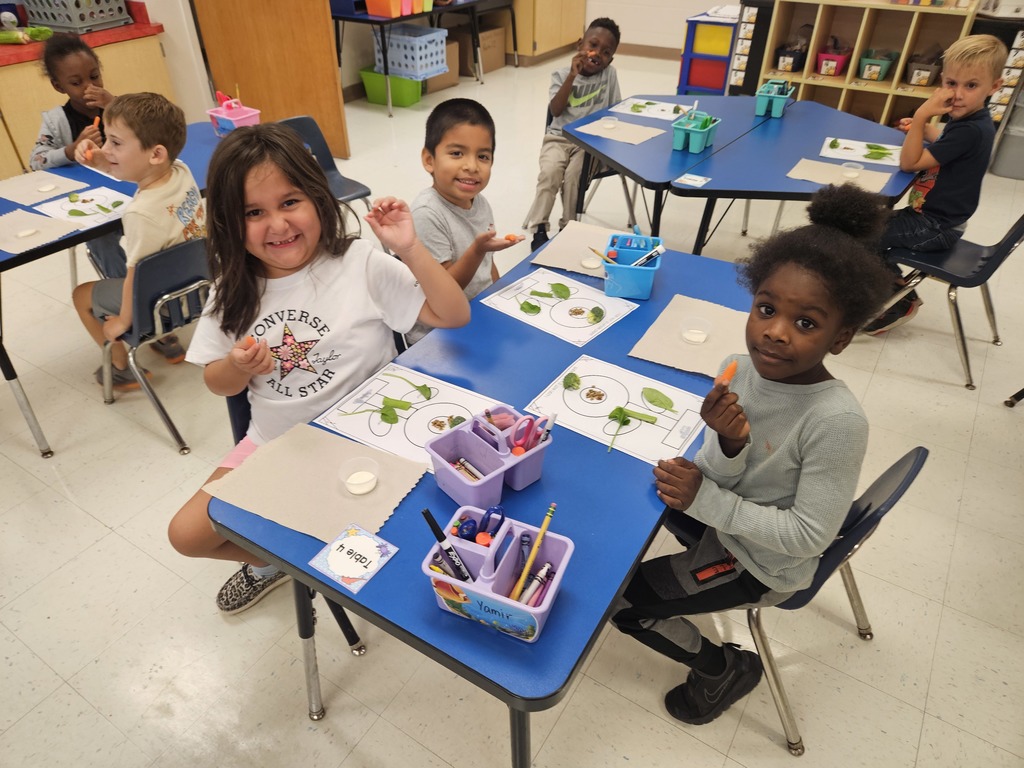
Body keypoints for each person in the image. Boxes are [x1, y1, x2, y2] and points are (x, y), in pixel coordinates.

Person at [611, 184, 895, 725]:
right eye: (766, 308)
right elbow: (718, 475)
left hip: (760, 562)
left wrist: (709, 498)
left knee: (619, 603)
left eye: (806, 323)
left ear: (842, 337)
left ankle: (723, 669)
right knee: (626, 481)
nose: (775, 332)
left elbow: (810, 536)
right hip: (730, 516)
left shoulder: (836, 421)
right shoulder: (737, 368)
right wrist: (728, 443)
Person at [167, 123, 470, 614]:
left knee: (410, 545)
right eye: (253, 212)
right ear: (229, 222)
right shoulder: (232, 290)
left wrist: (410, 248)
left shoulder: (357, 261)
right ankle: (293, 564)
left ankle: (315, 560)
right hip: (279, 444)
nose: (278, 225)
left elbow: (454, 315)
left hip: (373, 435)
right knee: (186, 533)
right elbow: (214, 381)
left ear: (317, 199)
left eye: (290, 202)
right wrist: (236, 367)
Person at [864, 34, 1006, 335]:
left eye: (971, 86)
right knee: (868, 225)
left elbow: (909, 164)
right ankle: (897, 285)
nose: (957, 94)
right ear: (942, 80)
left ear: (994, 87)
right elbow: (948, 146)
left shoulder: (970, 129)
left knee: (863, 235)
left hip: (935, 226)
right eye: (952, 83)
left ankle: (900, 300)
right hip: (938, 219)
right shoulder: (973, 120)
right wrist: (928, 131)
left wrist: (919, 118)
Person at [70, 92, 205, 389]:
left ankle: (120, 368)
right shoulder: (180, 170)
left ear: (156, 154)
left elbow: (134, 278)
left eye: (115, 143)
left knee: (81, 296)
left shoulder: (140, 214)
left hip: (161, 305)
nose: (107, 148)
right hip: (198, 292)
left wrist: (121, 323)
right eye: (107, 139)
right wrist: (102, 157)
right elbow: (135, 167)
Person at [406, 98, 521, 344]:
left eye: (483, 156)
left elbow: (488, 265)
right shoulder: (427, 213)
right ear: (429, 160)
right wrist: (477, 251)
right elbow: (444, 292)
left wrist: (500, 299)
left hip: (477, 313)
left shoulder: (479, 202)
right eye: (457, 153)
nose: (471, 166)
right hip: (439, 334)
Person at [31, 32, 126, 279]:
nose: (89, 87)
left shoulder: (120, 108)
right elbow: (36, 161)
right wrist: (70, 151)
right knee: (101, 238)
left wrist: (115, 105)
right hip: (94, 204)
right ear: (58, 86)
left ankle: (166, 282)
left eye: (94, 76)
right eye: (77, 82)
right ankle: (124, 292)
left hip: (132, 191)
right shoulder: (55, 122)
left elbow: (152, 130)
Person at [524, 18, 621, 251]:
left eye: (606, 52)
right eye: (593, 45)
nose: (597, 54)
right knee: (549, 173)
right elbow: (555, 110)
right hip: (558, 138)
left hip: (590, 145)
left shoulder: (609, 76)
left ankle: (569, 228)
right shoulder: (560, 74)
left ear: (611, 59)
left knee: (575, 175)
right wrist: (571, 77)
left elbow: (616, 113)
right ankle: (539, 228)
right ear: (580, 45)